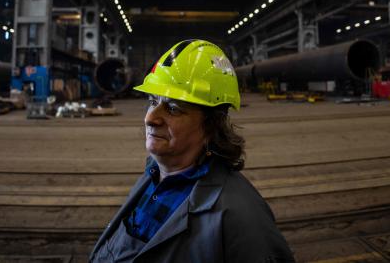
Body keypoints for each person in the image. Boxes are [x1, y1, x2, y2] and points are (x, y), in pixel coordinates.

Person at [90, 39, 295, 262]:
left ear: (211, 125)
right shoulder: (153, 175)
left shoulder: (240, 215)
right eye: (152, 101)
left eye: (173, 108)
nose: (150, 118)